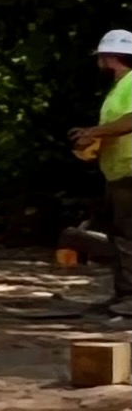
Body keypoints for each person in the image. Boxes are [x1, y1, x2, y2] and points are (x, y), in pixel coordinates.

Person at [68, 29, 132, 316]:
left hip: (130, 171)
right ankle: (123, 294)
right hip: (118, 171)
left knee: (129, 237)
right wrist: (91, 142)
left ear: (110, 56)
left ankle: (130, 301)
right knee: (119, 237)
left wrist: (93, 132)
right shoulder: (120, 86)